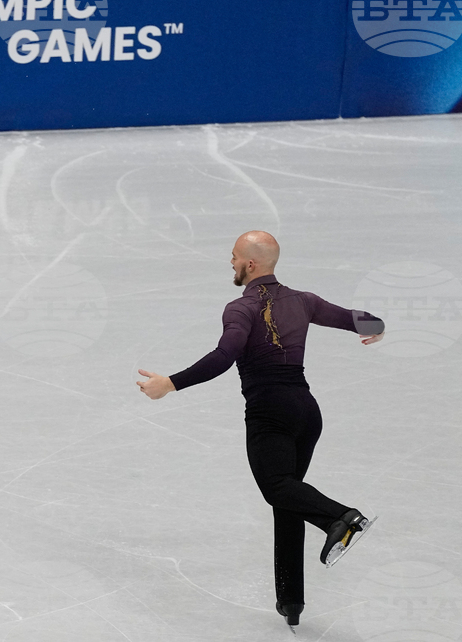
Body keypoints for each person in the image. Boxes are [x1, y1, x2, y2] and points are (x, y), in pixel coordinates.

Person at [136, 231, 385, 630]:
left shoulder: (242, 308)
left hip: (270, 413)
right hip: (306, 412)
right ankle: (291, 601)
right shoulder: (304, 301)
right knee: (288, 499)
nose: (231, 262)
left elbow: (224, 355)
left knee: (277, 487)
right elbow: (362, 319)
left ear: (250, 264)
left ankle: (342, 517)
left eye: (234, 256)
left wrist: (170, 383)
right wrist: (376, 325)